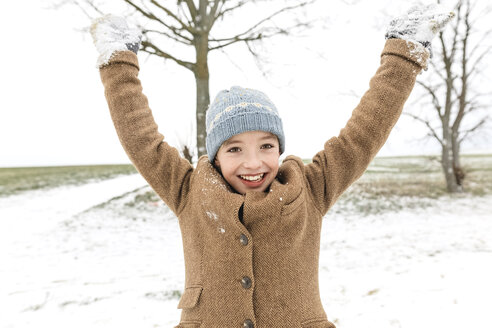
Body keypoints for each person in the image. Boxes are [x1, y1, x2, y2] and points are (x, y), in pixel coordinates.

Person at [90, 5, 454, 328]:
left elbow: (365, 131)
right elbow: (139, 135)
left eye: (266, 146)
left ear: (280, 148)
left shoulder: (311, 189)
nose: (253, 162)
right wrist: (118, 60)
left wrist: (403, 55)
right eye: (234, 149)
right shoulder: (188, 191)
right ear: (215, 156)